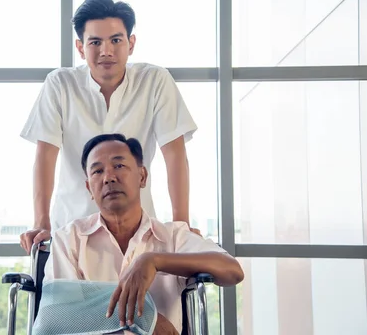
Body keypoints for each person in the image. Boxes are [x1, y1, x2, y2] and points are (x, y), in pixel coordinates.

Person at [20, 0, 198, 253]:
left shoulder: (155, 81)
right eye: (95, 42)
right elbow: (45, 156)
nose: (106, 51)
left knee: (148, 290)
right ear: (81, 48)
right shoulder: (60, 84)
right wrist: (41, 221)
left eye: (116, 40)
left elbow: (175, 154)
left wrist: (181, 225)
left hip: (138, 230)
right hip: (73, 228)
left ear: (131, 43)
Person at [42, 134, 244, 334]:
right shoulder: (69, 239)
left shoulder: (173, 237)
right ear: (89, 188)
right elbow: (58, 318)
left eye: (119, 166)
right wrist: (146, 319)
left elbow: (233, 271)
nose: (108, 177)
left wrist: (153, 261)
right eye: (97, 171)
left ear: (142, 176)